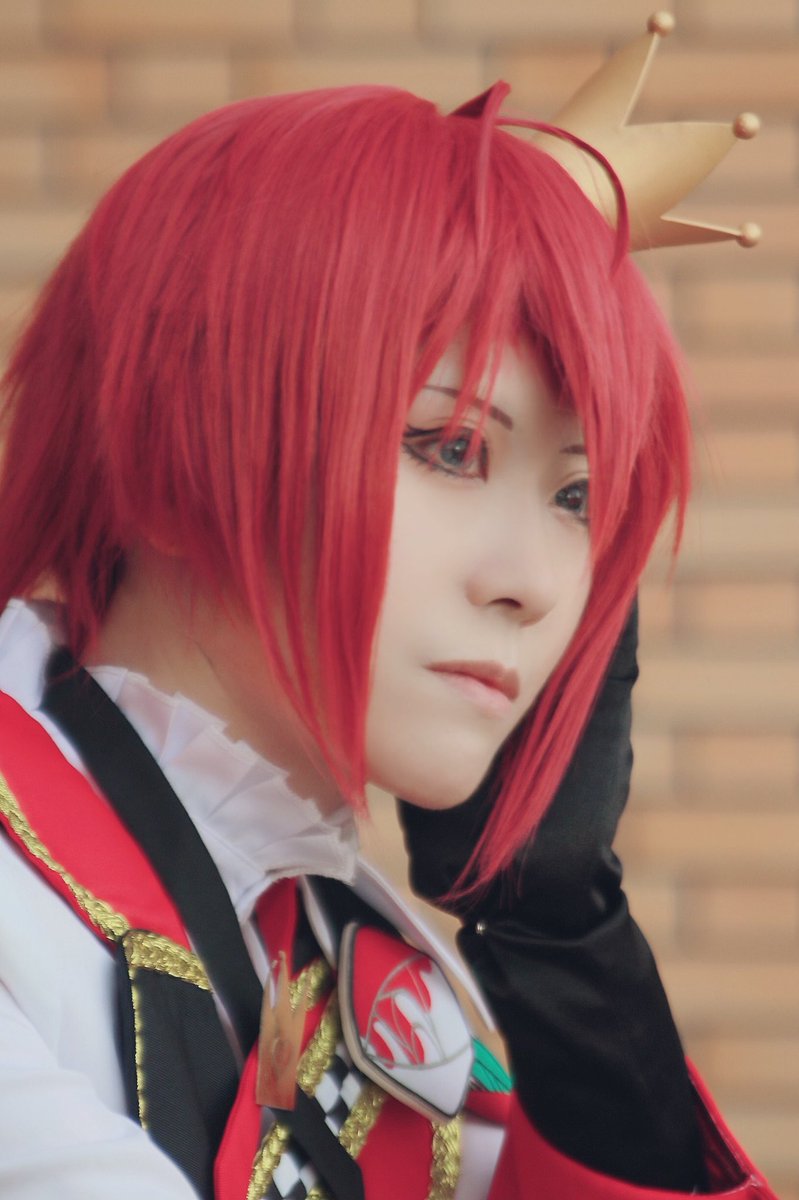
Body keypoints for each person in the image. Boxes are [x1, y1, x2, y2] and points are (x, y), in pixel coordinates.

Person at [0, 19, 778, 1200]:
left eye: (575, 495)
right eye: (449, 445)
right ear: (174, 444)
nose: (535, 583)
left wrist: (566, 955)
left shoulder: (363, 955)